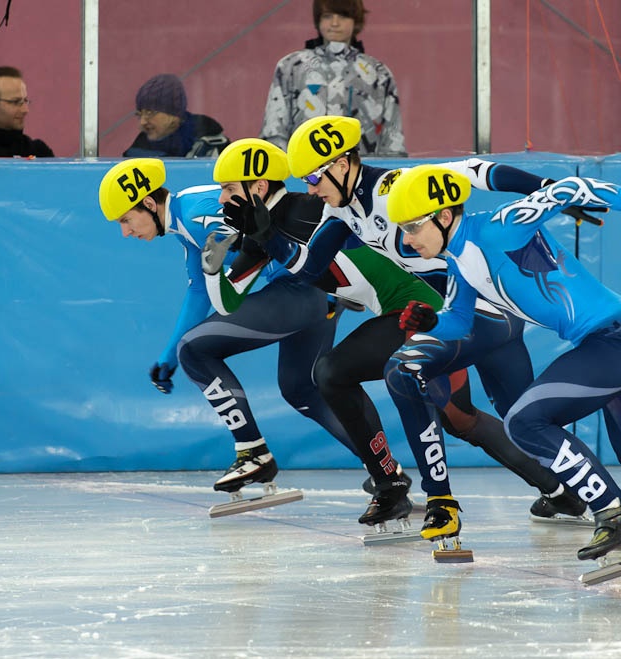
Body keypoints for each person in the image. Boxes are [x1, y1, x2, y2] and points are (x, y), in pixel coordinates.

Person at [384, 164, 621, 567]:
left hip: (617, 338)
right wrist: (431, 323)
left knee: (523, 421)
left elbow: (570, 187)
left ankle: (616, 515)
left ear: (445, 216)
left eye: (412, 227)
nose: (407, 241)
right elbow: (460, 320)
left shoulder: (499, 226)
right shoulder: (459, 261)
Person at [234, 115, 590, 538]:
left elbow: (474, 170)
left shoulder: (394, 188)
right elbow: (311, 270)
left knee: (521, 419)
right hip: (458, 311)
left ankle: (602, 502)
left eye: (313, 177)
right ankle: (525, 493)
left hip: (488, 307)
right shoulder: (341, 212)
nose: (310, 189)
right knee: (434, 401)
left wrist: (546, 189)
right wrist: (267, 237)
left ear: (344, 164)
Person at [206, 137, 462, 526]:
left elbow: (364, 249)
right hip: (390, 308)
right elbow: (228, 302)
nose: (222, 198)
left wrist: (339, 299)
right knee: (326, 378)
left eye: (228, 188)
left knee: (461, 416)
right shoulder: (263, 234)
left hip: (418, 304)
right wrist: (213, 268)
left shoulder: (317, 208)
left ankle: (407, 485)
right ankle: (392, 480)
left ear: (257, 187)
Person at [97, 156, 360, 493]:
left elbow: (255, 246)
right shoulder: (185, 222)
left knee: (195, 348)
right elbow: (198, 292)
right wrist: (168, 357)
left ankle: (252, 451)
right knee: (301, 389)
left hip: (302, 289)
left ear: (148, 202)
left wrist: (181, 351)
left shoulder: (195, 211)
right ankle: (385, 471)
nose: (125, 232)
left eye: (126, 220)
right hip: (315, 292)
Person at [260, 0, 406, 156]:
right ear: (318, 20)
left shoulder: (378, 73)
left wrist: (390, 172)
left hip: (361, 172)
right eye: (327, 16)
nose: (335, 23)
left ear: (355, 21)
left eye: (343, 16)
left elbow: (392, 136)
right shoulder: (292, 67)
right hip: (303, 172)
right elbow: (274, 130)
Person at [123, 74, 230, 158]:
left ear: (174, 114)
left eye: (150, 113)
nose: (142, 122)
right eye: (139, 114)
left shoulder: (211, 142)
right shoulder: (137, 150)